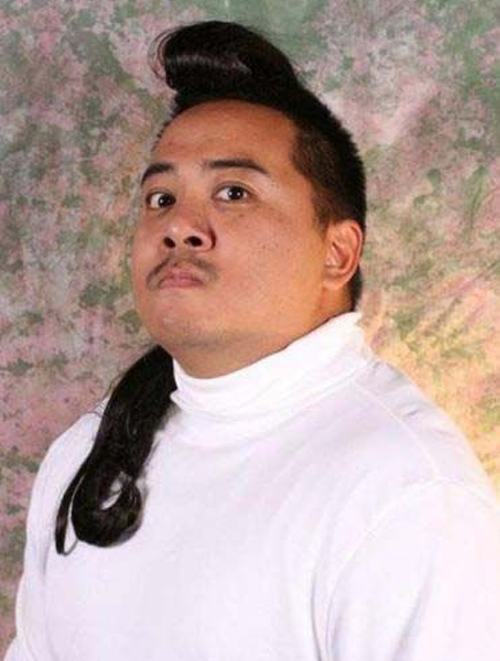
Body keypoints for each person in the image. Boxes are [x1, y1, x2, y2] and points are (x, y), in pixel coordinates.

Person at [5, 19, 500, 661]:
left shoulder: (408, 497)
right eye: (160, 198)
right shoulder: (85, 455)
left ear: (337, 252)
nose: (180, 225)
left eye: (233, 192)